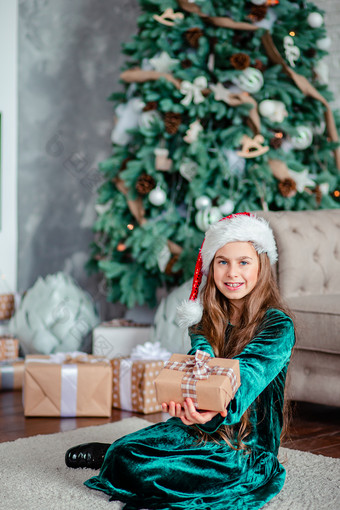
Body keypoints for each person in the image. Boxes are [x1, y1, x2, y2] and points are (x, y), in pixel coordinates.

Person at [65, 212, 295, 510]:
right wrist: (186, 399)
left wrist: (208, 412)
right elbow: (198, 362)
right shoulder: (204, 318)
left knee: (158, 471)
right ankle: (114, 452)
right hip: (198, 427)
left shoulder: (277, 326)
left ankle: (129, 461)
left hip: (245, 445)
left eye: (243, 262)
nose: (232, 273)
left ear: (261, 265)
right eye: (222, 262)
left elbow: (246, 377)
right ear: (211, 268)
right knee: (125, 454)